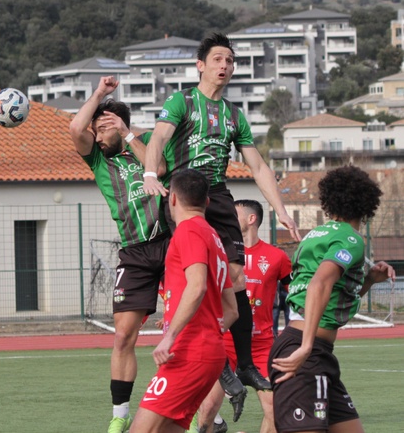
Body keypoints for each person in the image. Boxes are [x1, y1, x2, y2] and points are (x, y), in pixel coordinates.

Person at [142, 32, 301, 393]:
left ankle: (243, 364)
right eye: (217, 60)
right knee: (198, 281)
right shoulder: (181, 102)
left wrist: (282, 212)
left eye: (229, 61)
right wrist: (150, 175)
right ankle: (205, 357)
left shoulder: (233, 114)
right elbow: (159, 138)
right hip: (185, 193)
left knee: (236, 280)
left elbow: (258, 166)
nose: (224, 66)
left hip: (218, 194)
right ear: (200, 65)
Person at [70, 76, 171, 432]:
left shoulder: (144, 144)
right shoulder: (97, 159)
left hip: (172, 244)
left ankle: (197, 414)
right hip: (134, 252)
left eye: (103, 128)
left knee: (185, 330)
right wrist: (99, 94)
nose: (96, 135)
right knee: (123, 335)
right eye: (96, 130)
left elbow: (156, 170)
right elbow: (75, 127)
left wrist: (128, 132)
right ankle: (120, 414)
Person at [269, 165, 395, 433]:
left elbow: (325, 296)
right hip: (306, 352)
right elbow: (319, 284)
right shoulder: (352, 239)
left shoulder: (315, 235)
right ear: (366, 204)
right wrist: (305, 347)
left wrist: (369, 280)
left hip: (313, 351)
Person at [129, 168, 238, 433]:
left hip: (188, 353)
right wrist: (207, 331)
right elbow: (231, 310)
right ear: (208, 202)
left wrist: (171, 335)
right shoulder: (214, 237)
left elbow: (197, 285)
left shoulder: (188, 231)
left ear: (173, 199)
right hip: (210, 354)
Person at [195, 199, 291, 433]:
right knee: (208, 407)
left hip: (261, 345)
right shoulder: (220, 254)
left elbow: (297, 294)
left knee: (273, 409)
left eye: (233, 213)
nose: (227, 216)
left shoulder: (277, 257)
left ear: (251, 219)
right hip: (225, 343)